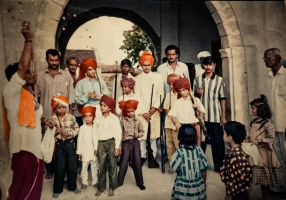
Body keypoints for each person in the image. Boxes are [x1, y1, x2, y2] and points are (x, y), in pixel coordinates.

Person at [3, 21, 44, 200]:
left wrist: (45, 121)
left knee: (32, 191)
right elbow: (22, 67)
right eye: (27, 73)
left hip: (35, 148)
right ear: (17, 77)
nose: (31, 74)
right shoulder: (12, 92)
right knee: (20, 191)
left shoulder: (29, 96)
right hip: (23, 150)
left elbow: (34, 118)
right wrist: (29, 40)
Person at [37, 48, 75, 179]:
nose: (54, 62)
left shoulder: (66, 75)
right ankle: (49, 169)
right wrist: (40, 117)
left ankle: (62, 170)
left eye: (56, 60)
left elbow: (70, 98)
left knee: (62, 143)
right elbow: (36, 98)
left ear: (59, 60)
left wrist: (69, 116)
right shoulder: (40, 75)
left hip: (62, 115)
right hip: (46, 115)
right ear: (47, 59)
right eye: (51, 60)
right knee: (48, 142)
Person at [193, 56, 227, 172]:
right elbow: (193, 99)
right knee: (201, 141)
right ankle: (200, 165)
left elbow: (222, 98)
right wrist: (198, 94)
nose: (208, 67)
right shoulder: (197, 80)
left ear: (214, 65)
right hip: (201, 117)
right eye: (206, 65)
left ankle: (219, 166)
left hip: (215, 116)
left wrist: (223, 116)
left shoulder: (219, 80)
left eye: (210, 64)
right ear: (202, 65)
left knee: (217, 142)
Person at [134, 50, 164, 167]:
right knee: (142, 136)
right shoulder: (137, 79)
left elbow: (160, 92)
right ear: (141, 65)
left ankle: (153, 158)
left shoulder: (157, 77)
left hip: (154, 112)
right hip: (142, 112)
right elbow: (137, 96)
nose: (146, 67)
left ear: (152, 65)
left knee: (153, 137)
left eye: (149, 65)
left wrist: (154, 107)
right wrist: (143, 112)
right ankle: (142, 157)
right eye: (144, 65)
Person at [249, 95, 281, 200]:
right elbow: (252, 134)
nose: (252, 111)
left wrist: (260, 140)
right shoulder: (253, 122)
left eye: (253, 108)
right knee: (258, 176)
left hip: (264, 154)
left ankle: (265, 197)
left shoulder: (267, 124)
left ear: (260, 109)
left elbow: (271, 138)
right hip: (255, 152)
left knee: (265, 179)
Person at [48, 95, 80, 198]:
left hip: (70, 143)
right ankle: (57, 188)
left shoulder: (71, 117)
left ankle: (73, 186)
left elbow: (77, 129)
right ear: (55, 109)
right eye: (59, 107)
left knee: (72, 165)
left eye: (64, 107)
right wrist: (55, 131)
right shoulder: (52, 119)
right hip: (59, 144)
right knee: (59, 166)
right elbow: (47, 133)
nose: (62, 109)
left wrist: (69, 133)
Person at [264, 48, 286, 193]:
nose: (265, 60)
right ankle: (283, 188)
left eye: (267, 57)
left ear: (277, 58)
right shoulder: (268, 76)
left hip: (285, 126)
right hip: (274, 126)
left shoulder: (285, 75)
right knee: (279, 159)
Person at [170, 124, 208, 200]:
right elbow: (204, 168)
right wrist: (203, 183)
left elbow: (174, 167)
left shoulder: (179, 152)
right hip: (198, 185)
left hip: (182, 186)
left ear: (180, 137)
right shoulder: (199, 150)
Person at [94, 95, 121, 197]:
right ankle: (101, 187)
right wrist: (95, 147)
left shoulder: (114, 118)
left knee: (112, 166)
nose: (102, 107)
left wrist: (117, 146)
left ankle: (111, 187)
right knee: (101, 166)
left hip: (111, 143)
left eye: (104, 105)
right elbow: (94, 133)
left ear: (110, 107)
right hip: (101, 144)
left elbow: (118, 132)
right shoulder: (98, 119)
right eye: (101, 105)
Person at [220, 121, 253, 200]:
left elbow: (233, 179)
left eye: (224, 133)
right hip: (242, 191)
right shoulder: (241, 151)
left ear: (230, 138)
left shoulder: (232, 156)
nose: (223, 135)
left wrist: (229, 195)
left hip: (235, 193)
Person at [118, 100, 146, 190]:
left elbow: (142, 131)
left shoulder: (138, 121)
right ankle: (119, 182)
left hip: (135, 143)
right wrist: (119, 146)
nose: (130, 113)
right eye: (128, 111)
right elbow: (120, 133)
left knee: (137, 162)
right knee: (123, 163)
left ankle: (140, 183)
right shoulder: (122, 121)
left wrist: (138, 135)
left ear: (135, 110)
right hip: (125, 143)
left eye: (132, 111)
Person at [168, 77, 205, 146]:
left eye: (184, 90)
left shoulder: (196, 100)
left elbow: (202, 114)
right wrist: (176, 124)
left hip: (195, 126)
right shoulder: (177, 102)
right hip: (183, 127)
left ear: (188, 89)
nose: (182, 92)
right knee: (184, 146)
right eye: (180, 91)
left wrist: (198, 108)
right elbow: (172, 115)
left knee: (196, 146)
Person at [77, 106, 98, 192]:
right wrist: (79, 151)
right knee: (84, 166)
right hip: (85, 150)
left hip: (94, 151)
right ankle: (84, 182)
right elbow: (79, 141)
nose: (88, 118)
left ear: (93, 116)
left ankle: (95, 182)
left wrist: (97, 149)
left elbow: (98, 139)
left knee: (94, 166)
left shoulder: (96, 127)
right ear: (83, 117)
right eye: (86, 116)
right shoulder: (82, 128)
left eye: (90, 116)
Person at [163, 74, 181, 174]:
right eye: (170, 84)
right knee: (169, 145)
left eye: (173, 84)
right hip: (168, 123)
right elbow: (166, 107)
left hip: (177, 124)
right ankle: (172, 165)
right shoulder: (168, 95)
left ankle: (180, 164)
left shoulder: (181, 95)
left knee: (177, 144)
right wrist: (168, 112)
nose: (171, 86)